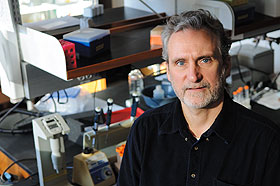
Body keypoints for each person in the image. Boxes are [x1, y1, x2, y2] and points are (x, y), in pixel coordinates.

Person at [117, 9, 280, 186]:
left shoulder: (266, 142)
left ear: (225, 66)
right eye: (181, 63)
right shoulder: (144, 130)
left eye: (205, 60)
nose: (193, 76)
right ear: (169, 72)